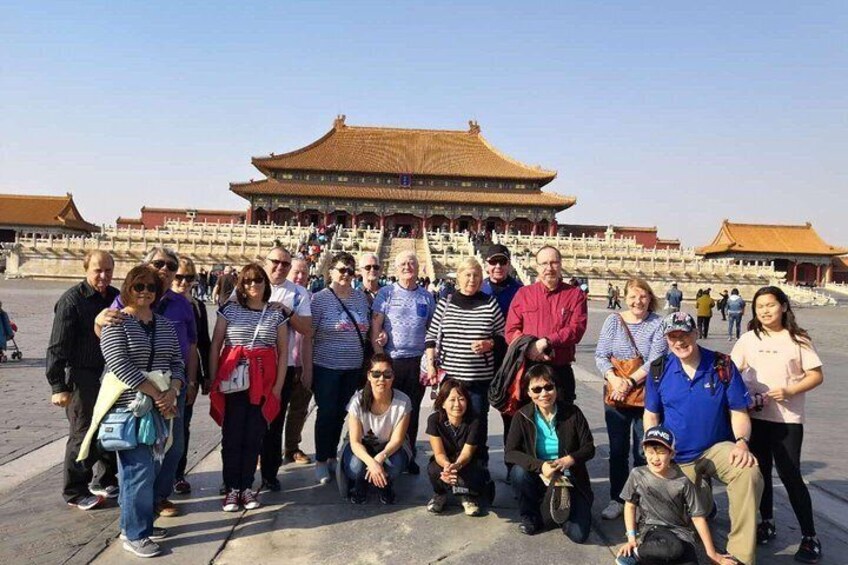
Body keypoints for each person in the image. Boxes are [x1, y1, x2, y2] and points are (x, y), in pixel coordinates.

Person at [644, 312, 764, 565]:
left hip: (715, 448)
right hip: (676, 454)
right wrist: (653, 453)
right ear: (666, 339)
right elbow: (651, 416)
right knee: (683, 522)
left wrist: (742, 442)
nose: (679, 341)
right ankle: (702, 506)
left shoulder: (721, 365)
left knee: (748, 471)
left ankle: (741, 554)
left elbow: (738, 411)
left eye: (684, 334)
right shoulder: (659, 369)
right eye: (672, 336)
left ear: (696, 333)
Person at [96, 247, 198, 518]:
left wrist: (188, 383)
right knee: (139, 457)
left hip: (171, 388)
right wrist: (98, 320)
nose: (164, 269)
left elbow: (191, 346)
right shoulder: (124, 302)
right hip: (136, 394)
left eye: (170, 265)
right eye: (158, 263)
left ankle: (159, 497)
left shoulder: (181, 304)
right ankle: (136, 514)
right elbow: (107, 335)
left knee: (173, 446)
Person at [731, 286, 824, 564]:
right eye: (760, 306)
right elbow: (731, 372)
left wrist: (790, 391)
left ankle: (810, 537)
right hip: (756, 418)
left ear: (784, 306)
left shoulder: (798, 339)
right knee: (759, 473)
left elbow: (816, 376)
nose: (765, 311)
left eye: (770, 305)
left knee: (790, 475)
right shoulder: (748, 339)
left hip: (787, 420)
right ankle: (767, 522)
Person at [208, 264, 288, 512]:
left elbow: (283, 352)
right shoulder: (229, 310)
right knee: (232, 436)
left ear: (266, 284)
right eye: (248, 281)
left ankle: (246, 487)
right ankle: (231, 487)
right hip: (233, 380)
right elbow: (216, 344)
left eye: (258, 281)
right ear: (241, 285)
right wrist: (213, 379)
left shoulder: (275, 314)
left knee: (254, 436)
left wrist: (277, 388)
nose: (253, 285)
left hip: (262, 383)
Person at [46, 250, 120, 510]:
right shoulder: (72, 300)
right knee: (82, 432)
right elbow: (57, 345)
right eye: (98, 270)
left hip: (109, 374)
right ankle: (75, 490)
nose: (103, 276)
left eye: (108, 270)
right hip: (81, 374)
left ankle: (104, 478)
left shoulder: (115, 298)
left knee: (107, 428)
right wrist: (58, 386)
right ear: (86, 269)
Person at [594, 278, 667, 520]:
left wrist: (628, 382)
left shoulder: (658, 323)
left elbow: (655, 360)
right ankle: (618, 498)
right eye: (633, 296)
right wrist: (616, 381)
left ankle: (641, 500)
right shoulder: (613, 321)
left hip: (647, 396)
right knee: (617, 451)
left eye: (643, 296)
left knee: (642, 451)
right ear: (625, 297)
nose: (638, 301)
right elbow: (601, 355)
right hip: (616, 396)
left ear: (650, 298)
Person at [425, 257, 506, 465]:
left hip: (479, 380)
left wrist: (489, 343)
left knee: (477, 425)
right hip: (451, 380)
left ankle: (478, 470)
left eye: (476, 275)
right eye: (467, 275)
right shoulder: (446, 302)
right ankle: (446, 466)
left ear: (482, 279)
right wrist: (431, 364)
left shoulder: (489, 303)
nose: (472, 279)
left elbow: (504, 334)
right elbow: (431, 337)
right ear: (458, 277)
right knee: (448, 424)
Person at [615, 426, 734, 565]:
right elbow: (630, 506)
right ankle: (636, 554)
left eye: (661, 452)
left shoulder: (683, 481)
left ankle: (646, 559)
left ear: (672, 454)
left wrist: (712, 554)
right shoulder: (638, 474)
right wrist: (631, 539)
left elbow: (698, 518)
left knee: (680, 553)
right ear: (644, 453)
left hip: (681, 534)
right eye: (650, 452)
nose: (655, 458)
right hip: (653, 530)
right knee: (672, 549)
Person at [505, 364, 595, 542]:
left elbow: (589, 447)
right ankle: (530, 515)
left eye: (548, 387)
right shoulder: (522, 416)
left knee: (578, 535)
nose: (544, 393)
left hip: (568, 477)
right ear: (529, 393)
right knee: (518, 472)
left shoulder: (572, 413)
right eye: (536, 389)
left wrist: (570, 459)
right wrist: (541, 466)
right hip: (539, 476)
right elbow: (510, 453)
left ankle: (560, 512)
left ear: (556, 387)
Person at [371, 251, 435, 474]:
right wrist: (381, 361)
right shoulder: (385, 294)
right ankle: (386, 453)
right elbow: (375, 330)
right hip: (392, 361)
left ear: (419, 268)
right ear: (395, 269)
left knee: (412, 410)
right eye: (402, 264)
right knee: (389, 409)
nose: (407, 266)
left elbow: (431, 331)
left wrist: (431, 362)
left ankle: (408, 454)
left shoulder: (427, 297)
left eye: (412, 263)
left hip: (416, 361)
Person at [311, 252, 371, 484]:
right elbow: (310, 336)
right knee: (325, 413)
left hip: (352, 367)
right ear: (331, 272)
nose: (345, 274)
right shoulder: (320, 299)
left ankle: (332, 454)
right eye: (341, 270)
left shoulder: (360, 299)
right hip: (326, 366)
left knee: (341, 414)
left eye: (349, 270)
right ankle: (320, 460)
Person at [259, 247, 314, 491]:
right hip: (253, 365)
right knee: (247, 423)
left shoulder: (298, 294)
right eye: (275, 262)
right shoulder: (250, 285)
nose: (280, 267)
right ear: (265, 262)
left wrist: (287, 311)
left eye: (285, 264)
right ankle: (237, 478)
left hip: (285, 366)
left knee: (274, 423)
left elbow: (306, 328)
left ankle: (270, 474)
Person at [506, 246, 588, 404]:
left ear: (561, 264)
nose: (549, 268)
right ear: (536, 266)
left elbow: (576, 329)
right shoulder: (524, 294)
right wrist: (529, 348)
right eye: (544, 263)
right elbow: (511, 330)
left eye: (553, 262)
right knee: (529, 422)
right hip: (528, 369)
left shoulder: (575, 295)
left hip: (560, 370)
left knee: (563, 423)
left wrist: (547, 341)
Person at [342, 354, 411, 504]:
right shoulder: (357, 401)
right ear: (369, 376)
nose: (381, 379)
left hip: (388, 447)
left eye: (387, 374)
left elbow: (397, 440)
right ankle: (361, 482)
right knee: (355, 467)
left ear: (393, 376)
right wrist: (372, 463)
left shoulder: (403, 401)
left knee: (395, 466)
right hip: (362, 446)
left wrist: (380, 458)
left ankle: (384, 484)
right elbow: (355, 442)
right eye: (376, 374)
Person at [480, 243, 523, 473]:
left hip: (509, 361)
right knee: (478, 412)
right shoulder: (478, 288)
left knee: (511, 413)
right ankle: (479, 461)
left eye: (502, 262)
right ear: (486, 265)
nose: (497, 266)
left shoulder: (519, 291)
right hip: (481, 360)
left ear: (509, 264)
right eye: (493, 262)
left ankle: (511, 462)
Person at [171, 257, 211, 495]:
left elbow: (202, 343)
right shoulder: (159, 302)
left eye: (189, 278)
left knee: (183, 425)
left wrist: (205, 376)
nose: (184, 282)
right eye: (179, 277)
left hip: (188, 375)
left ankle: (178, 473)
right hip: (161, 375)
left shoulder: (197, 306)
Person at [426, 379, 488, 516]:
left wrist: (456, 466)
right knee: (434, 469)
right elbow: (439, 453)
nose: (457, 404)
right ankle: (440, 494)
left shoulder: (475, 421)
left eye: (461, 399)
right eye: (452, 400)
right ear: (442, 403)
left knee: (474, 471)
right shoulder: (434, 420)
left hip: (467, 461)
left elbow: (467, 454)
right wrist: (447, 467)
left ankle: (468, 496)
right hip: (446, 461)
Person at [281, 257, 315, 465]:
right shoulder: (277, 296)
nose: (300, 277)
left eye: (304, 273)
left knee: (299, 408)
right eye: (296, 272)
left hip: (303, 361)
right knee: (273, 410)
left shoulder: (312, 298)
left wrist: (308, 367)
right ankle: (263, 449)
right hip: (281, 363)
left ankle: (292, 447)